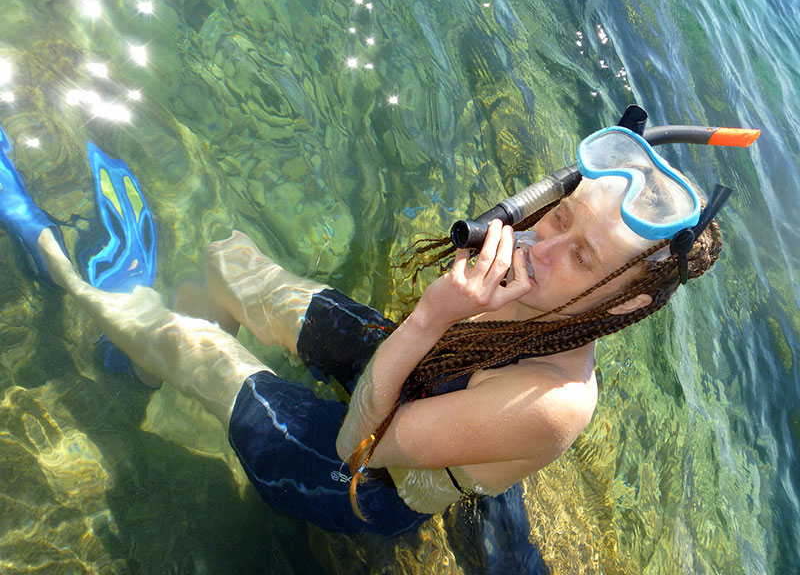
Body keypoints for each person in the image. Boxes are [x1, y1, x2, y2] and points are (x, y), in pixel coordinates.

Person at [0, 123, 725, 540]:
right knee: (229, 265)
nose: (542, 248)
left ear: (625, 306)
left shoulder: (551, 402)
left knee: (201, 352)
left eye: (584, 257)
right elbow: (413, 343)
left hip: (357, 482)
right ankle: (140, 362)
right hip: (397, 368)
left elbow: (356, 448)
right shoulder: (529, 259)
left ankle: (83, 288)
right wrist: (439, 313)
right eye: (560, 217)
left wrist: (437, 315)